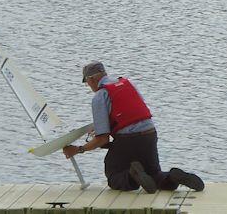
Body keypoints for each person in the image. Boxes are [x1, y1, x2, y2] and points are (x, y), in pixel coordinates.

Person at [63, 61, 205, 194]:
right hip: (149, 134)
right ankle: (173, 177)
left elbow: (103, 139)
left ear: (92, 79)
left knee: (113, 176)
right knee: (155, 175)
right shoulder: (127, 83)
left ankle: (132, 176)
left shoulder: (100, 96)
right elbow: (129, 115)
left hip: (128, 139)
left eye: (86, 82)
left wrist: (78, 149)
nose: (88, 86)